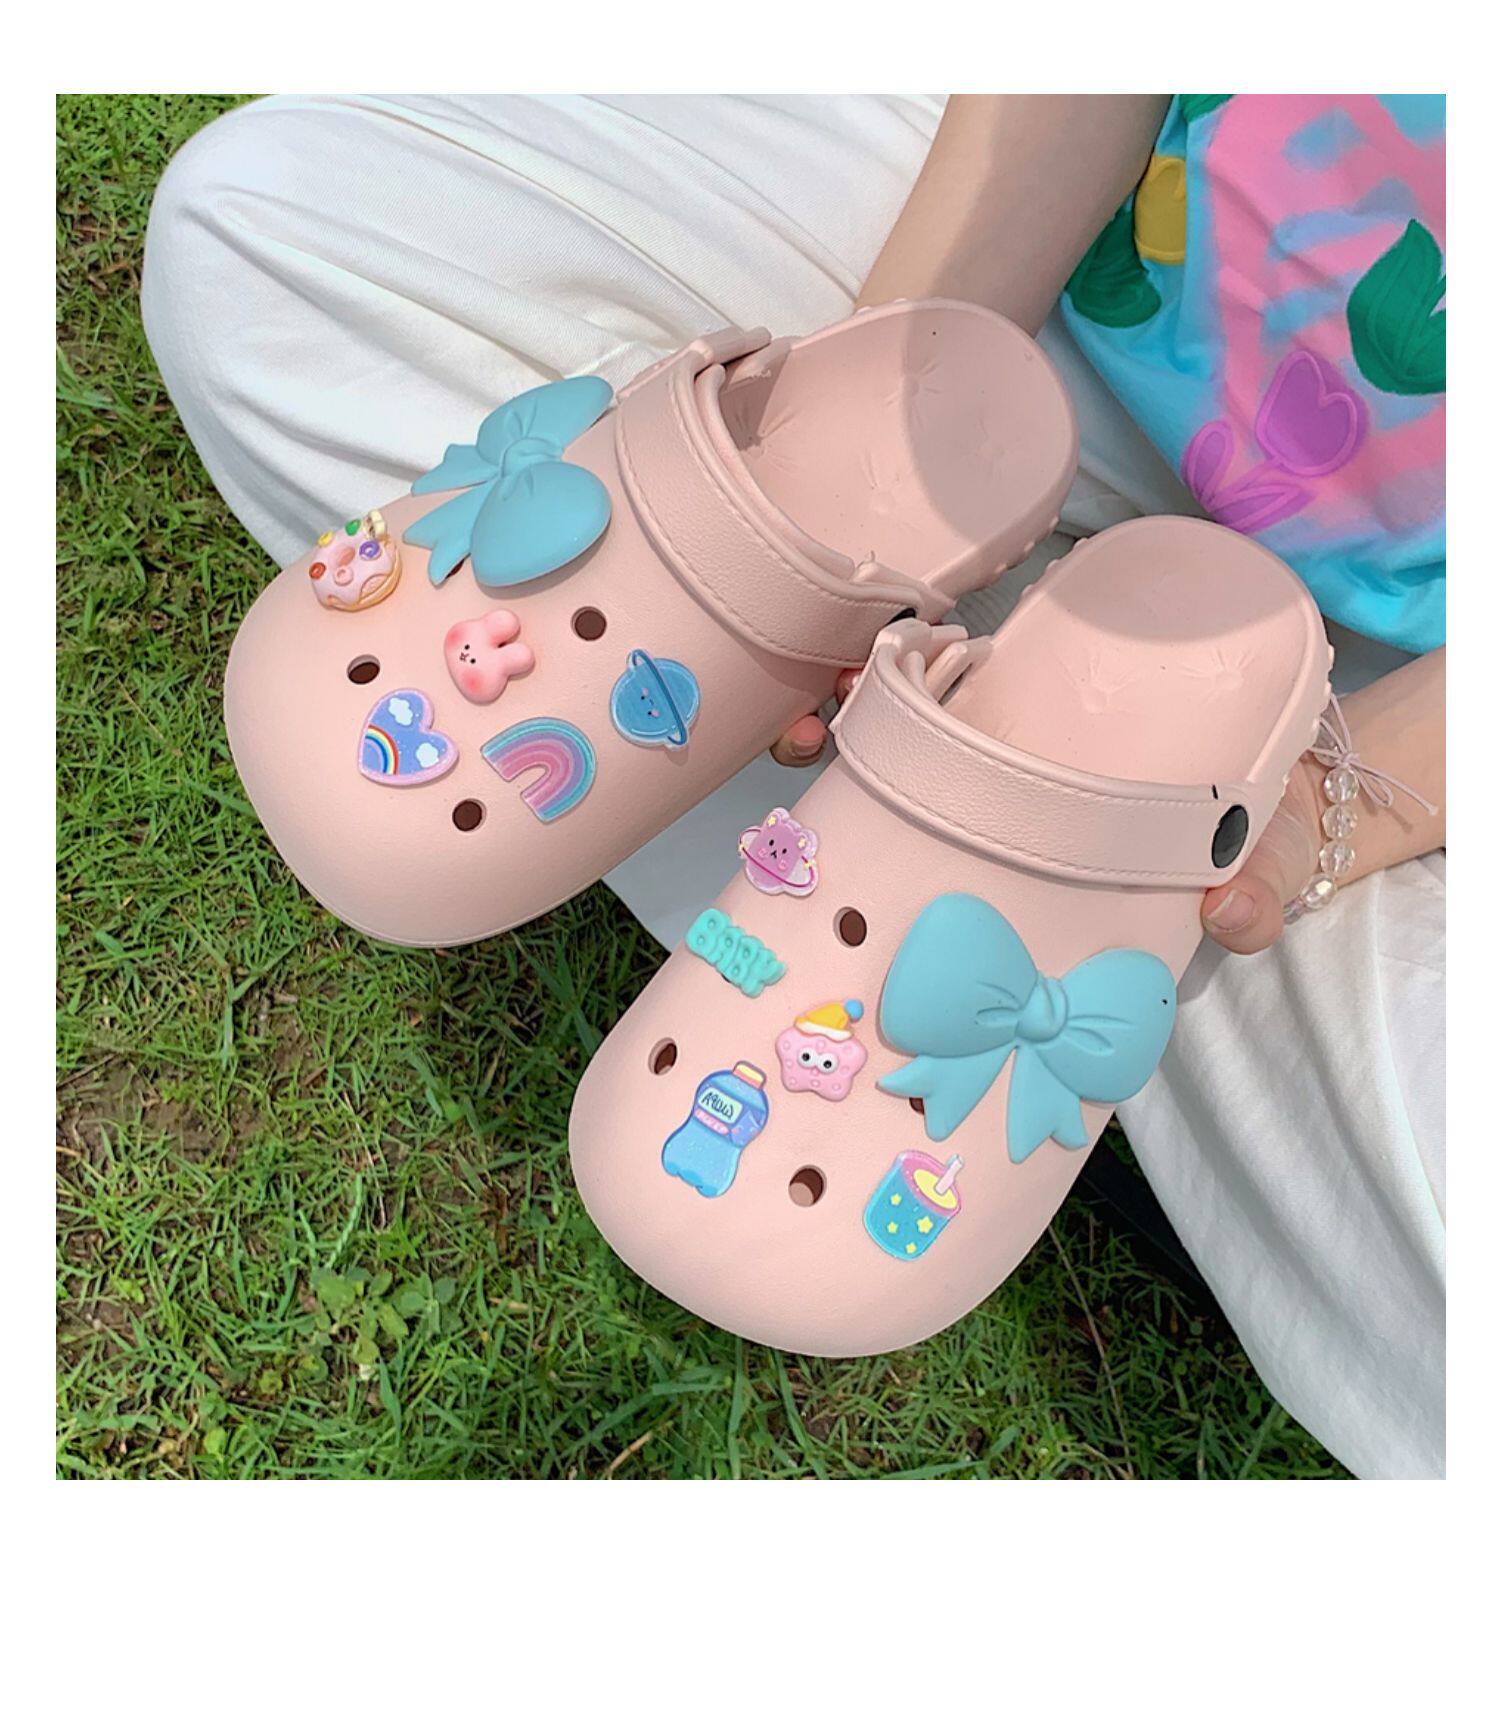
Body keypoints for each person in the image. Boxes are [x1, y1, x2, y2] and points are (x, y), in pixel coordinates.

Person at [142, 93, 1445, 1476]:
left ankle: (862, 783)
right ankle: (923, 761)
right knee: (255, 224)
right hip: (1090, 294)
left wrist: (1321, 809)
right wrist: (879, 440)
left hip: (1404, 651)